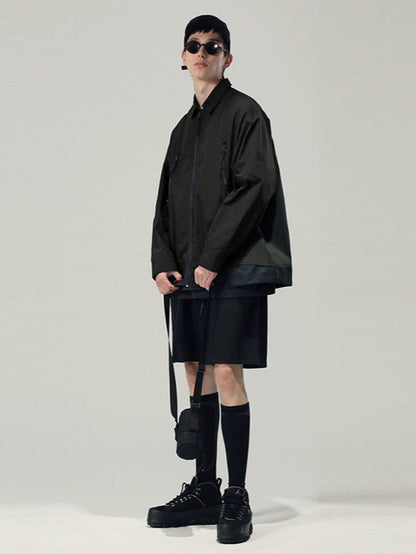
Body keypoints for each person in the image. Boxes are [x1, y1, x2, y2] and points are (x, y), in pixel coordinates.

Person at [148, 15, 292, 544]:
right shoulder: (181, 131)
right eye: (194, 46)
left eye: (213, 46)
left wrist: (211, 257)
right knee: (195, 370)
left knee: (226, 371)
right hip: (189, 272)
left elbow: (255, 186)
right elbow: (165, 202)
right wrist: (162, 261)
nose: (203, 53)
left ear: (227, 58)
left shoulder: (246, 114)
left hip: (234, 267)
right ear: (183, 57)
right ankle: (205, 487)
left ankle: (236, 493)